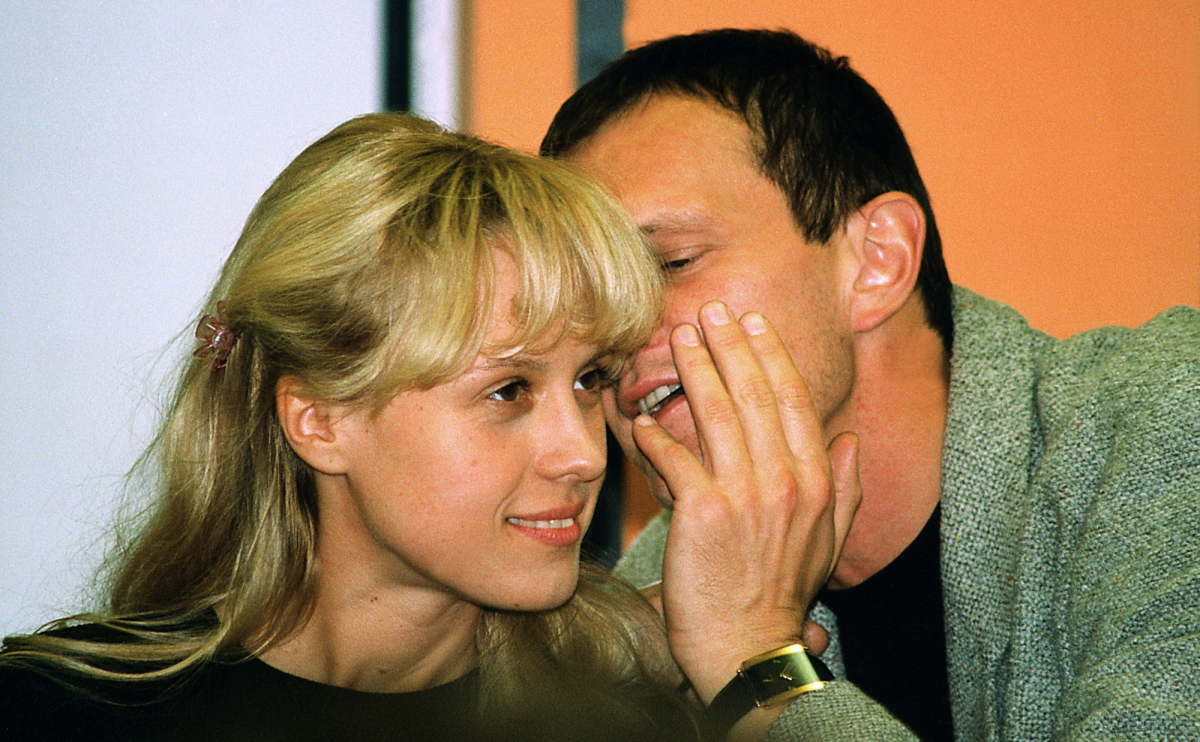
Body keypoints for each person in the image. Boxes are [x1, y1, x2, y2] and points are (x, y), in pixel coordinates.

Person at [541, 27, 1200, 741]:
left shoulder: (1168, 418)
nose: (615, 332)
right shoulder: (659, 596)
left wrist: (755, 664)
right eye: (591, 301)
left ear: (878, 260)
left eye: (673, 262)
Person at [0, 112, 710, 741]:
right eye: (508, 391)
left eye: (589, 380)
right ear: (319, 420)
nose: (584, 455)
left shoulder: (625, 720)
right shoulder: (54, 715)